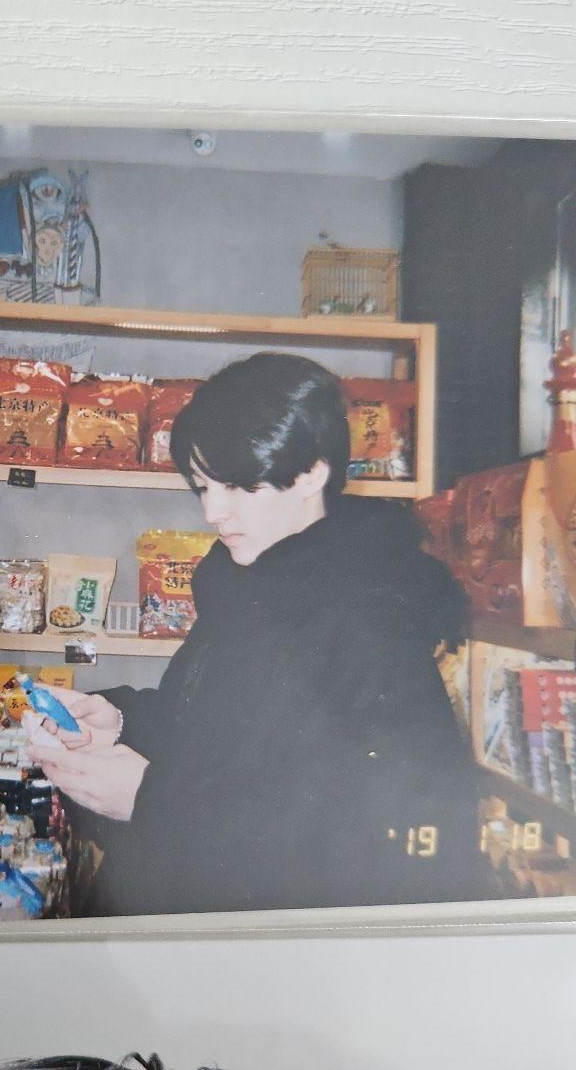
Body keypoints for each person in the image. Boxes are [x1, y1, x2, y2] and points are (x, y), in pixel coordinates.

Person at [30, 353, 492, 917]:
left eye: (237, 486)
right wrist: (122, 720)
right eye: (203, 487)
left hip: (263, 948)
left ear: (312, 473)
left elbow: (390, 833)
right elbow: (209, 726)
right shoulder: (241, 583)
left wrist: (153, 800)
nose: (213, 512)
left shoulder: (373, 619)